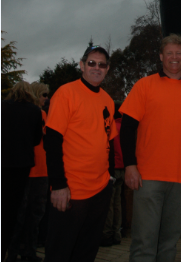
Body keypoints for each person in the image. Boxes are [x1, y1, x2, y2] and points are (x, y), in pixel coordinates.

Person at [120, 34, 181, 262]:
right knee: (144, 243)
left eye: (179, 53)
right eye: (169, 53)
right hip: (148, 177)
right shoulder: (145, 85)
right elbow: (126, 128)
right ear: (161, 56)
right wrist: (129, 165)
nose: (174, 57)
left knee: (168, 244)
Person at [44, 45, 117, 262]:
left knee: (87, 252)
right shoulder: (66, 93)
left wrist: (110, 178)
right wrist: (58, 185)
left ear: (107, 68)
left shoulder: (108, 100)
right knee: (60, 252)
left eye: (101, 65)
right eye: (91, 63)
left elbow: (109, 141)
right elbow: (52, 140)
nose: (96, 68)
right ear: (82, 65)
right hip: (71, 190)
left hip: (100, 190)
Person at [6, 83, 50, 262]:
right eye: (44, 94)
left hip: (36, 169)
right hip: (34, 169)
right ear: (36, 94)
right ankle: (21, 251)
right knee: (28, 214)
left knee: (28, 214)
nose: (46, 98)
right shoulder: (37, 113)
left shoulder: (36, 113)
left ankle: (21, 251)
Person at [101, 104, 126, 247]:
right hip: (124, 167)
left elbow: (110, 147)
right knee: (118, 203)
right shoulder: (126, 127)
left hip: (114, 167)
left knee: (109, 203)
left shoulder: (112, 127)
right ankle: (117, 232)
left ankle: (107, 234)